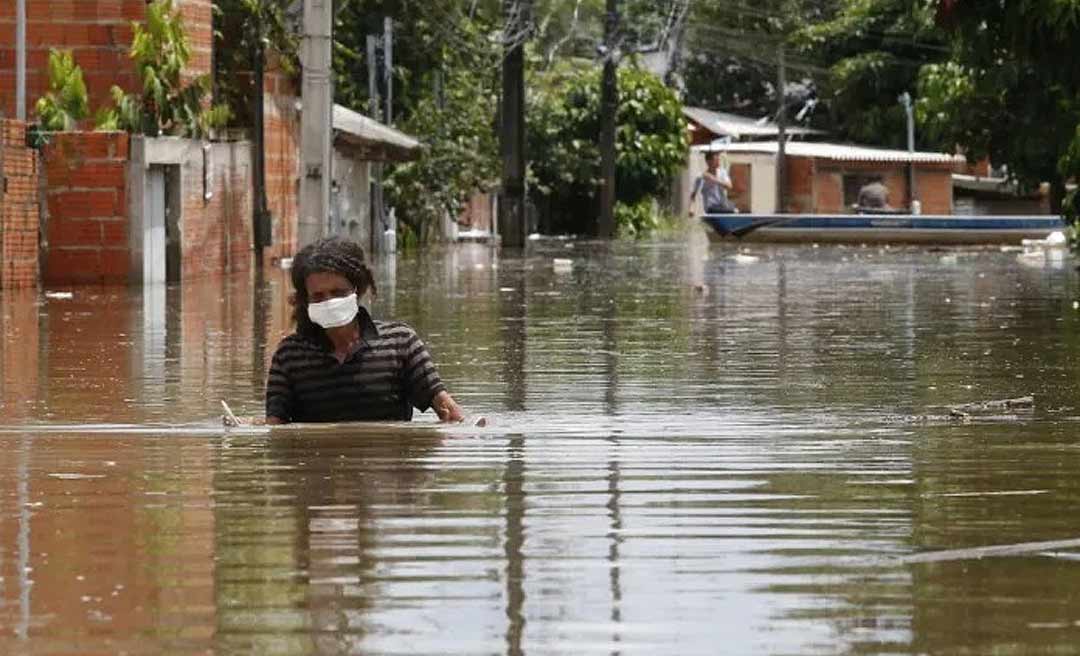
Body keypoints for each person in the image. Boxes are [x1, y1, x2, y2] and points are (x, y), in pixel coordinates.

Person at [265, 237, 466, 424]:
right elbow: (275, 428)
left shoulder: (400, 343)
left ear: (357, 290)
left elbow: (449, 412)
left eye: (338, 293)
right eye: (318, 296)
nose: (329, 302)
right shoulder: (289, 356)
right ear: (305, 300)